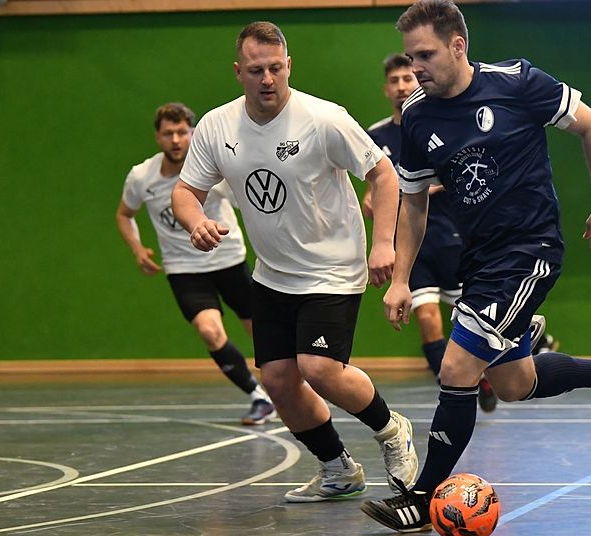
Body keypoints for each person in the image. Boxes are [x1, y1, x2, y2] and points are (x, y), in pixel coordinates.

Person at [361, 1, 591, 532]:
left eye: (425, 55)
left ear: (458, 46)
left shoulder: (517, 82)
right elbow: (414, 203)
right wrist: (401, 278)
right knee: (514, 383)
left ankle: (421, 497)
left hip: (529, 250)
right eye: (410, 57)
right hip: (478, 260)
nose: (415, 69)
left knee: (456, 369)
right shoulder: (418, 116)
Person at [170, 22, 418, 503]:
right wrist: (195, 220)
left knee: (319, 368)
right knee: (279, 381)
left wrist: (383, 245)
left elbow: (383, 175)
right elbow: (186, 191)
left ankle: (391, 430)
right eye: (256, 70)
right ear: (238, 72)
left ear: (288, 66)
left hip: (333, 267)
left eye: (275, 68)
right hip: (273, 273)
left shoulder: (324, 119)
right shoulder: (217, 127)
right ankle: (338, 469)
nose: (267, 79)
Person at [364, 54, 560, 413]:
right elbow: (377, 192)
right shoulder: (379, 135)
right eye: (394, 81)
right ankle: (462, 383)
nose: (403, 86)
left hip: (454, 238)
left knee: (477, 325)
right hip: (414, 246)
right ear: (385, 89)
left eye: (408, 78)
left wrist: (427, 185)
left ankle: (516, 333)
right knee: (428, 321)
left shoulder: (443, 115)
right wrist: (377, 206)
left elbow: (453, 174)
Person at [116, 102, 275, 426]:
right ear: (158, 137)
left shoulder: (213, 169)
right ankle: (259, 397)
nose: (175, 140)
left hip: (229, 260)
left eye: (181, 132)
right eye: (168, 133)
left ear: (192, 133)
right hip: (184, 269)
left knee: (262, 333)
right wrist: (137, 249)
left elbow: (251, 202)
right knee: (209, 331)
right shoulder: (142, 176)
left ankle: (289, 390)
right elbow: (124, 214)